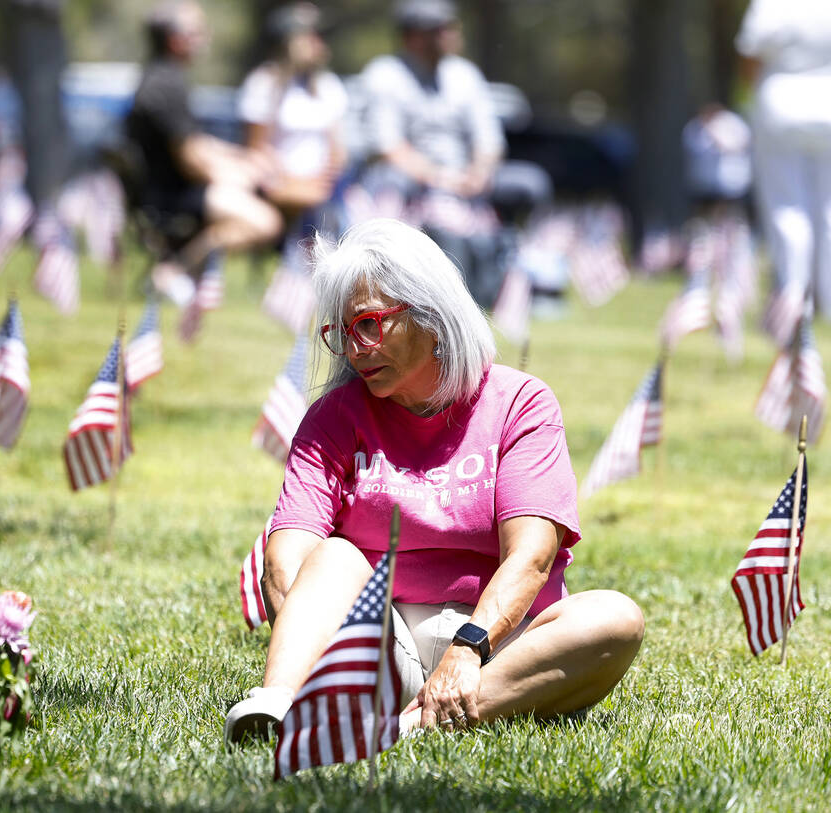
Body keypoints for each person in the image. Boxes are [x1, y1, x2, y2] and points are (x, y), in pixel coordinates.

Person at [224, 218, 643, 744]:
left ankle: (402, 729)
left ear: (429, 312)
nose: (354, 350)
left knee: (614, 619)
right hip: (381, 640)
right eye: (341, 332)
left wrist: (467, 650)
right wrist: (324, 654)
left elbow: (531, 557)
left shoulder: (521, 404)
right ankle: (280, 708)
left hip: (501, 646)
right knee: (333, 557)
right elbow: (286, 563)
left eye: (369, 325)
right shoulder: (333, 417)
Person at [124, 0, 284, 304]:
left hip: (171, 189)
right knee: (265, 222)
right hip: (171, 196)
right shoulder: (165, 85)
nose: (204, 38)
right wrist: (237, 176)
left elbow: (195, 142)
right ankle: (174, 273)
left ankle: (178, 272)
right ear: (176, 39)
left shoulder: (163, 78)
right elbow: (191, 162)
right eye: (197, 32)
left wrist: (243, 158)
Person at [358, 0, 508, 307]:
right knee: (426, 206)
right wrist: (443, 179)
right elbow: (388, 148)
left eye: (451, 27)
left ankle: (523, 289)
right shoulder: (385, 75)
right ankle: (429, 299)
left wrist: (478, 172)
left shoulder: (465, 75)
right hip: (411, 183)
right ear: (413, 36)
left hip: (467, 181)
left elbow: (489, 140)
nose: (452, 34)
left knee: (530, 184)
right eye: (441, 29)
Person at [736, 0, 831, 318]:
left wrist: (750, 95)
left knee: (787, 207)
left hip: (780, 102)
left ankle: (793, 299)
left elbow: (750, 55)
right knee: (827, 209)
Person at [238, 2, 348, 224]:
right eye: (312, 35)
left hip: (322, 185)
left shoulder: (328, 85)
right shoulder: (263, 84)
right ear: (289, 41)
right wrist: (293, 183)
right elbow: (255, 149)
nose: (320, 42)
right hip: (278, 185)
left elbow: (337, 148)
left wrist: (322, 180)